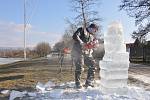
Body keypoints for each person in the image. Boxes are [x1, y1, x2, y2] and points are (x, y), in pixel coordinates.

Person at [71, 23, 99, 89]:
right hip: (77, 51)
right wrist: (81, 43)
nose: (95, 32)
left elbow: (91, 45)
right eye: (95, 30)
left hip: (86, 53)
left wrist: (94, 45)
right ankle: (77, 83)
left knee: (92, 65)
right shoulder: (82, 30)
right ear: (92, 28)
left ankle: (89, 82)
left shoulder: (92, 36)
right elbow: (75, 36)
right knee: (80, 67)